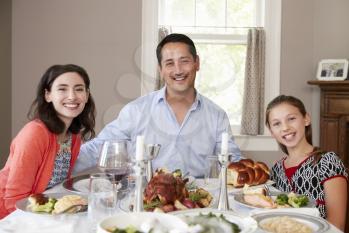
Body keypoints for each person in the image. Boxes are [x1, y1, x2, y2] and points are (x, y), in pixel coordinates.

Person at [75, 33, 241, 177]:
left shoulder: (217, 115)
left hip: (199, 203)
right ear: (160, 69)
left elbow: (233, 161)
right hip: (145, 202)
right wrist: (53, 165)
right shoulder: (136, 111)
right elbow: (99, 148)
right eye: (169, 63)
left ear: (197, 63)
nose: (178, 70)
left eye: (184, 61)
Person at [0, 64, 96, 219]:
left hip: (41, 211)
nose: (72, 96)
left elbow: (55, 187)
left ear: (86, 95)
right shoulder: (35, 133)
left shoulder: (73, 136)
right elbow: (14, 200)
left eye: (79, 89)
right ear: (47, 95)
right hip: (8, 217)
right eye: (62, 89)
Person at [265, 94, 348, 231]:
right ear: (272, 131)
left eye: (291, 119)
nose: (285, 127)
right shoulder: (276, 170)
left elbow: (336, 226)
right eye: (277, 123)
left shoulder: (328, 162)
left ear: (306, 119)